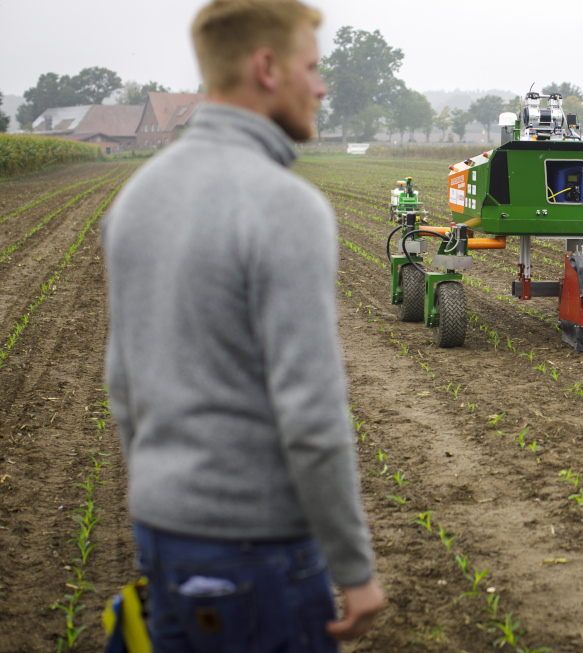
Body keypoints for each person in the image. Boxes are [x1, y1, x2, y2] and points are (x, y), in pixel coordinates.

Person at [102, 0, 384, 650]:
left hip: (162, 538)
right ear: (265, 67)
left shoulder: (136, 198)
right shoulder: (285, 207)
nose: (321, 85)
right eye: (311, 67)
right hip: (258, 559)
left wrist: (165, 500)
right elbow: (312, 415)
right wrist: (355, 569)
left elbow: (122, 383)